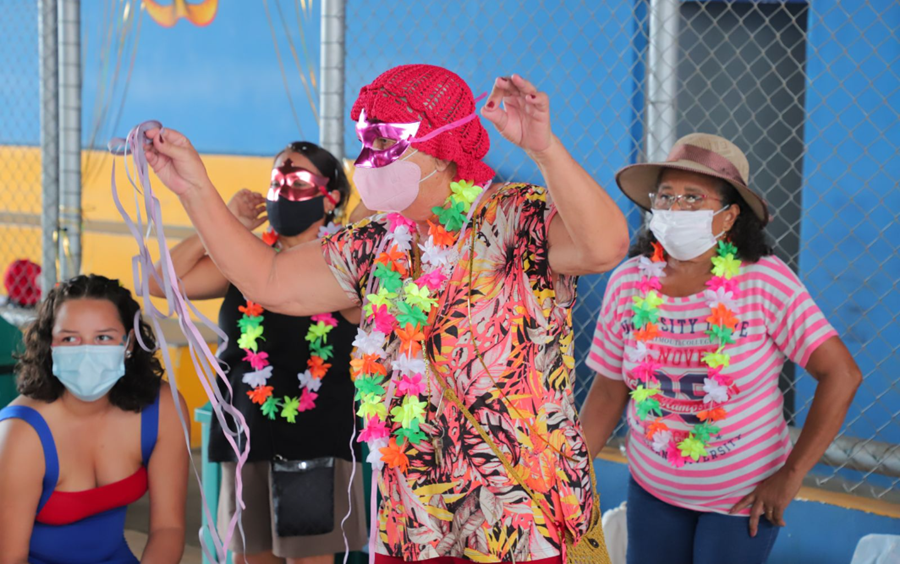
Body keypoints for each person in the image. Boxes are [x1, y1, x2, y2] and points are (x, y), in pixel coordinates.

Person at [143, 64, 629, 563]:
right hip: (413, 514)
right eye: (367, 142)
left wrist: (543, 148)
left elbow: (604, 246)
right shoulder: (376, 241)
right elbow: (271, 281)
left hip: (521, 514)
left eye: (389, 142)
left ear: (443, 146)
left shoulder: (512, 215)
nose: (370, 160)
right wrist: (194, 188)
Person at [580, 133, 862, 564]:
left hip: (740, 502)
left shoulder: (764, 282)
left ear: (729, 216)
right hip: (652, 489)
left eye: (694, 198)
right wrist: (570, 474)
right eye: (667, 196)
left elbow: (841, 374)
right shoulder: (628, 282)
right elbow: (608, 389)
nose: (675, 209)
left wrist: (791, 475)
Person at [149, 141, 367, 564]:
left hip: (314, 448)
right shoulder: (245, 263)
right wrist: (227, 222)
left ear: (332, 197)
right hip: (248, 442)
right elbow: (161, 282)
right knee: (252, 559)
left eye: (298, 183)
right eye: (277, 182)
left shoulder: (341, 262)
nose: (283, 193)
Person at [0, 274, 189, 564]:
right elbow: (9, 558)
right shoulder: (20, 433)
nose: (86, 352)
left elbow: (168, 528)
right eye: (70, 338)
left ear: (129, 344)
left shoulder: (163, 408)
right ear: (51, 345)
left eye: (103, 337)